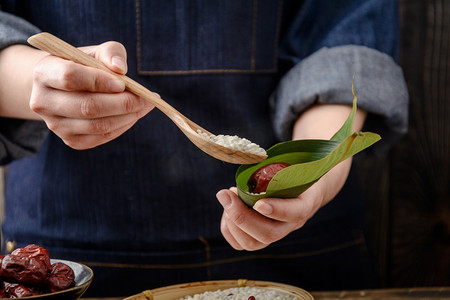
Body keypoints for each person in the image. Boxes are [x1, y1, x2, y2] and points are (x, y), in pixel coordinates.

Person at [0, 0, 408, 297]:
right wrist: (38, 80)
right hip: (76, 260)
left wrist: (311, 174)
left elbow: (344, 36)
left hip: (298, 254)